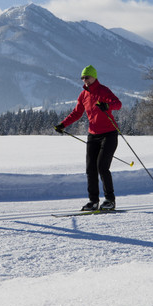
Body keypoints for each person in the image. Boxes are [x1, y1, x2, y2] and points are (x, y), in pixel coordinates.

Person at [54, 65, 122, 211]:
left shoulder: (104, 90)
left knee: (102, 167)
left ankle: (110, 200)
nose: (85, 80)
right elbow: (76, 113)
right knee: (90, 169)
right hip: (93, 135)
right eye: (83, 78)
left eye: (87, 77)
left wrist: (107, 105)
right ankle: (93, 201)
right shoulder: (83, 95)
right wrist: (62, 125)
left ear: (94, 77)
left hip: (109, 134)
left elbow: (118, 104)